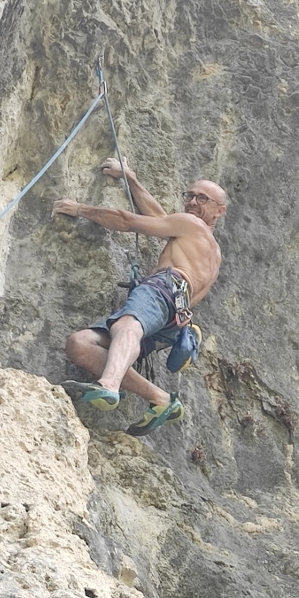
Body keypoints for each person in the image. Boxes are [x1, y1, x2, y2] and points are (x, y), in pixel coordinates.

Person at [52, 158, 227, 436]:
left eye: (202, 198)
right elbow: (158, 219)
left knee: (126, 326)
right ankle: (160, 399)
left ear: (219, 211)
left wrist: (79, 208)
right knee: (80, 344)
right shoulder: (209, 249)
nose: (193, 202)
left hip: (164, 289)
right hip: (173, 318)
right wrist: (130, 178)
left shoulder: (192, 226)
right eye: (190, 195)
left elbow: (127, 220)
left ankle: (109, 385)